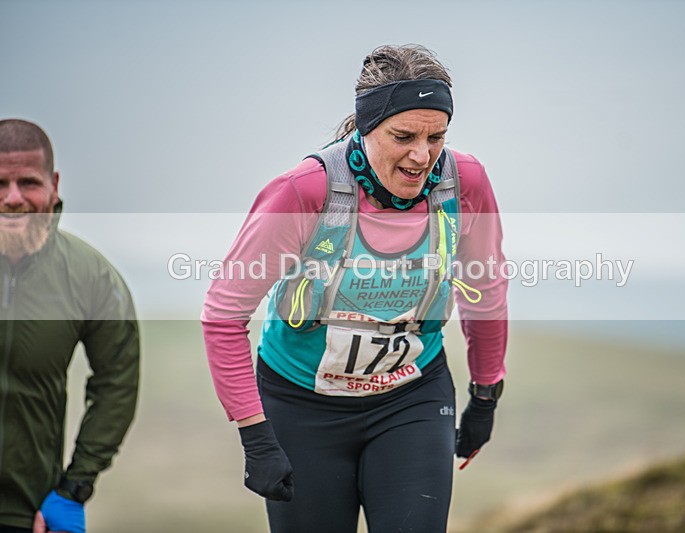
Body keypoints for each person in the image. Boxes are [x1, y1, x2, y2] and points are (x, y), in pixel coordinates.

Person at [202, 44, 507, 533]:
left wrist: (486, 393)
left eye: (437, 137)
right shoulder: (305, 191)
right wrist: (255, 435)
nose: (422, 155)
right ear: (365, 128)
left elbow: (486, 288)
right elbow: (223, 314)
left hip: (412, 394)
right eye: (403, 136)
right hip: (301, 403)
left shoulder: (463, 182)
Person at [0, 119, 140, 533]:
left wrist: (75, 486)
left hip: (28, 513)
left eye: (28, 182)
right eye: (0, 183)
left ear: (54, 183)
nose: (12, 198)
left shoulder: (90, 276)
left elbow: (117, 383)